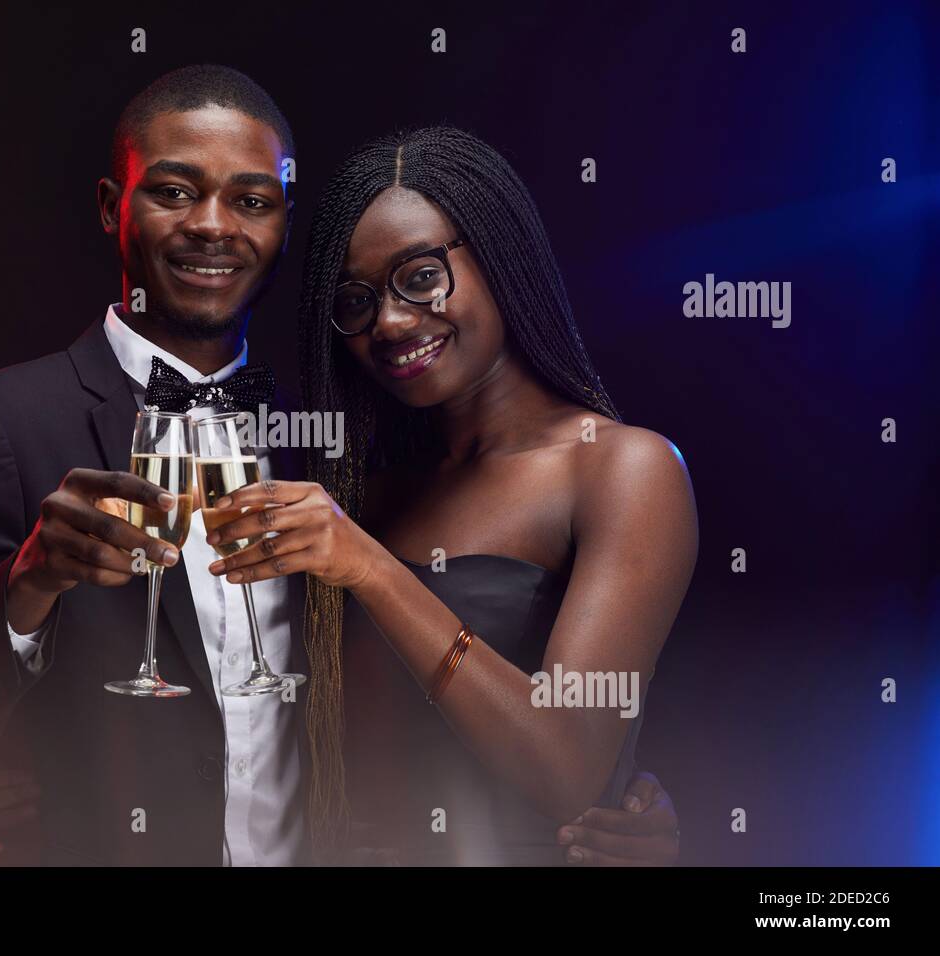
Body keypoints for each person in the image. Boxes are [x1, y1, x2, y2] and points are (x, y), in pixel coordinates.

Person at [0, 67, 682, 866]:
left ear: (283, 227)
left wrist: (627, 796)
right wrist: (29, 583)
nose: (213, 226)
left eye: (251, 201)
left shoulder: (333, 445)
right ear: (115, 208)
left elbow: (466, 695)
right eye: (174, 191)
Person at [202, 126, 697, 864]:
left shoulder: (622, 470)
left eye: (422, 276)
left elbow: (563, 766)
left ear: (498, 254)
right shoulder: (356, 488)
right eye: (357, 300)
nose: (392, 322)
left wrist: (371, 568)